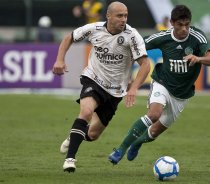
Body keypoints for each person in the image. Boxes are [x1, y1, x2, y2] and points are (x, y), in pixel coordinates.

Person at [108, 4, 210, 165]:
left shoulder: (197, 37)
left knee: (155, 132)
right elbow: (137, 47)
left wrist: (198, 58)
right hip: (162, 83)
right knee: (154, 114)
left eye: (187, 24)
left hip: (182, 94)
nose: (184, 29)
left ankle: (137, 143)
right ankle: (120, 150)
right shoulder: (163, 37)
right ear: (172, 23)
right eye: (180, 25)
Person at [52, 1, 150, 172]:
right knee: (86, 112)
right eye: (120, 15)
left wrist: (134, 88)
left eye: (125, 15)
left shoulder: (132, 35)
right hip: (93, 80)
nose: (123, 19)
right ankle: (70, 159)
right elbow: (69, 37)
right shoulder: (93, 29)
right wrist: (60, 60)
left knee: (92, 134)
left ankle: (74, 135)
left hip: (115, 91)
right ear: (108, 16)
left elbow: (145, 64)